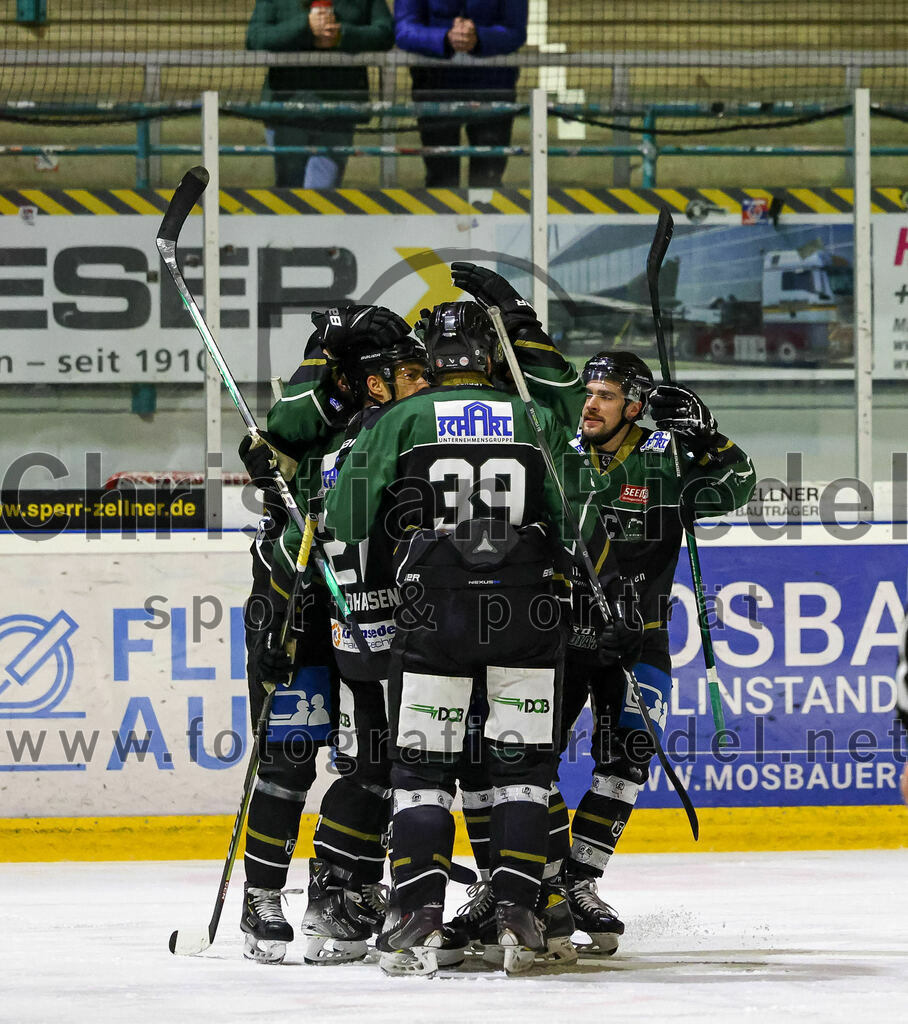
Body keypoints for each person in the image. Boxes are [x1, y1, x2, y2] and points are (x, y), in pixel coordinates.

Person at [450, 261, 756, 954]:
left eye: (607, 394)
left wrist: (707, 432)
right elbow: (535, 394)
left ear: (636, 405)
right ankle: (517, 883)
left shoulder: (666, 458)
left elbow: (737, 486)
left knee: (626, 761)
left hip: (637, 640)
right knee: (521, 762)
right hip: (552, 638)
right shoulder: (556, 449)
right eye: (587, 391)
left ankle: (581, 880)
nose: (590, 403)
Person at [323, 300, 579, 976]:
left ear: (432, 361)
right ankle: (521, 916)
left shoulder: (402, 419)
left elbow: (346, 516)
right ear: (490, 359)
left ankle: (414, 918)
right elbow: (574, 516)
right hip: (526, 612)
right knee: (523, 770)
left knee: (422, 770)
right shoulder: (536, 418)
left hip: (435, 613)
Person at [236, 305, 428, 964]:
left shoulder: (402, 427)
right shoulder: (325, 399)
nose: (422, 380)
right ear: (369, 378)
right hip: (295, 598)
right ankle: (261, 897)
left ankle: (344, 889)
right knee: (291, 750)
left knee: (375, 756)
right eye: (406, 370)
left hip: (362, 605)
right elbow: (281, 441)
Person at [246, 0, 394, 188]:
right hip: (286, 111)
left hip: (339, 113)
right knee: (289, 192)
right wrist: (305, 26)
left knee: (323, 193)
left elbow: (385, 32)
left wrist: (341, 35)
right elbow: (256, 37)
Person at [394, 1, 528, 188]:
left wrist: (479, 37)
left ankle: (486, 212)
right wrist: (445, 38)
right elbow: (403, 30)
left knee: (488, 178)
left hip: (493, 86)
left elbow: (516, 31)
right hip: (435, 86)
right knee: (441, 178)